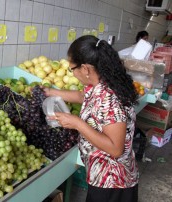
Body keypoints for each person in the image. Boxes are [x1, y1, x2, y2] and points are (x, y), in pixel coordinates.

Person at [43, 35, 139, 202]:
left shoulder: (110, 100)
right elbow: (82, 96)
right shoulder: (101, 83)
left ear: (85, 69)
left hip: (112, 181)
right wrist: (51, 92)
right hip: (103, 174)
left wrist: (77, 123)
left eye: (72, 68)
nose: (72, 73)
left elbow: (116, 149)